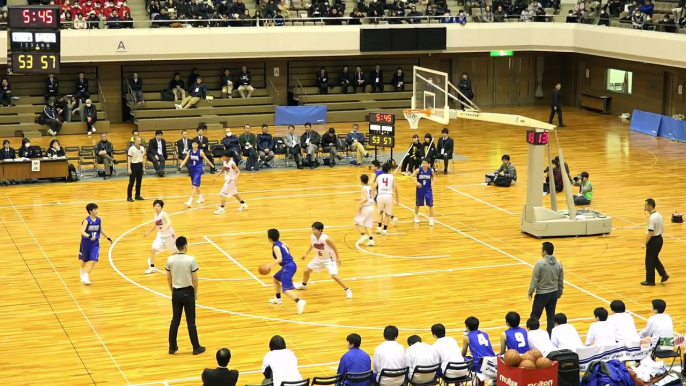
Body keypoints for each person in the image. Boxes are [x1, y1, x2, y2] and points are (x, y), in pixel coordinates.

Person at [166, 236, 205, 355]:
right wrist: (196, 292)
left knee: (175, 320)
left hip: (176, 292)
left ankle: (172, 347)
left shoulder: (170, 260)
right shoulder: (191, 260)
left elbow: (168, 277)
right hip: (188, 292)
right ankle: (196, 347)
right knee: (191, 321)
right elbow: (195, 279)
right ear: (186, 246)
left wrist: (172, 290)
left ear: (176, 247)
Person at [294, 222, 353, 299]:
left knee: (334, 276)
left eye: (314, 229)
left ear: (320, 230)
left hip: (329, 260)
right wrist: (306, 254)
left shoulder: (326, 239)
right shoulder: (313, 236)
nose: (313, 230)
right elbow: (312, 245)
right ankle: (303, 285)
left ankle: (347, 290)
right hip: (318, 258)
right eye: (312, 229)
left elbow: (335, 248)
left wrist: (338, 258)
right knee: (306, 271)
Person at [264, 229, 306, 314]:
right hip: (290, 265)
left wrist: (269, 265)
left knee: (285, 289)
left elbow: (280, 259)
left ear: (269, 239)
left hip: (288, 267)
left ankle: (299, 301)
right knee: (275, 279)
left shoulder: (275, 246)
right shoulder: (280, 243)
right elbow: (288, 247)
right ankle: (278, 298)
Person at [529, 242, 563, 336]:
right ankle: (550, 336)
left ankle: (532, 335)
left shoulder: (540, 263)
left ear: (544, 251)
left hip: (542, 294)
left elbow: (535, 279)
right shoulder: (559, 263)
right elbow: (561, 279)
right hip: (553, 294)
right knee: (551, 316)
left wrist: (531, 291)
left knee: (535, 316)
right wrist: (560, 291)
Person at [79, 203, 112, 285]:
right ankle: (81, 270)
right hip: (86, 242)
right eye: (95, 209)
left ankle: (87, 275)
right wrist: (89, 236)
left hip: (95, 243)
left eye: (97, 209)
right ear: (90, 211)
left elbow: (100, 229)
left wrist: (108, 237)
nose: (96, 211)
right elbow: (82, 231)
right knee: (85, 259)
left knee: (94, 260)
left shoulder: (98, 220)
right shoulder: (86, 221)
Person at [143, 200, 176, 275]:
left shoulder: (163, 214)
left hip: (169, 236)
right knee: (152, 250)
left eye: (158, 206)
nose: (156, 207)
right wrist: (148, 232)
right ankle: (152, 267)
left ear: (161, 207)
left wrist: (164, 229)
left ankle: (177, 266)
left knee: (174, 253)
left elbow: (169, 222)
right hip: (160, 236)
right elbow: (156, 225)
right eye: (155, 206)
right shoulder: (155, 215)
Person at [178, 140, 213, 208]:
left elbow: (206, 159)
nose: (194, 145)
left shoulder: (200, 152)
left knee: (194, 185)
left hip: (198, 170)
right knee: (197, 186)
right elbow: (185, 159)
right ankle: (201, 197)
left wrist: (212, 166)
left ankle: (190, 201)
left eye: (195, 144)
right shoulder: (190, 151)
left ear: (197, 145)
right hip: (192, 170)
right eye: (193, 144)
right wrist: (180, 166)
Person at [642, 198, 667, 286]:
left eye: (645, 205)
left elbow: (651, 232)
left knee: (649, 260)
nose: (644, 207)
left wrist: (644, 243)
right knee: (654, 258)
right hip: (660, 239)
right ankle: (663, 274)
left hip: (654, 240)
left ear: (650, 206)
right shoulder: (659, 215)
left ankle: (650, 281)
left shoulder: (652, 218)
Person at [374, 163, 399, 236]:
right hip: (388, 196)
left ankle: (379, 227)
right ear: (389, 170)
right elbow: (396, 189)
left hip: (380, 195)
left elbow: (374, 186)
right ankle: (384, 230)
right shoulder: (392, 177)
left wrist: (372, 196)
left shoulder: (379, 176)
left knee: (380, 212)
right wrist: (397, 199)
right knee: (388, 214)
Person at [355, 174, 376, 247]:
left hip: (366, 207)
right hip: (372, 207)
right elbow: (372, 195)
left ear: (361, 181)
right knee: (368, 225)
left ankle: (363, 235)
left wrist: (360, 205)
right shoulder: (370, 187)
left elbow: (366, 198)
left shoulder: (363, 188)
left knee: (356, 221)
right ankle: (371, 240)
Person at [412, 158, 434, 226]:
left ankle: (431, 219)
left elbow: (433, 177)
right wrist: (416, 182)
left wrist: (432, 183)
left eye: (425, 163)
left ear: (428, 164)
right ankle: (416, 216)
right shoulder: (418, 170)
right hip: (420, 189)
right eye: (423, 163)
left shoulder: (431, 170)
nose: (424, 164)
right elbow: (412, 176)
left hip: (428, 189)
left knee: (430, 205)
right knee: (418, 204)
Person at [127, 135, 146, 202]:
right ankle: (129, 196)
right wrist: (129, 168)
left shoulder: (142, 148)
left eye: (140, 140)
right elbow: (129, 159)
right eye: (138, 141)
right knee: (132, 182)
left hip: (139, 165)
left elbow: (144, 158)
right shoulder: (131, 149)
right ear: (134, 141)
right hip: (133, 165)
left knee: (139, 181)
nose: (139, 142)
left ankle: (137, 195)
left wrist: (143, 167)